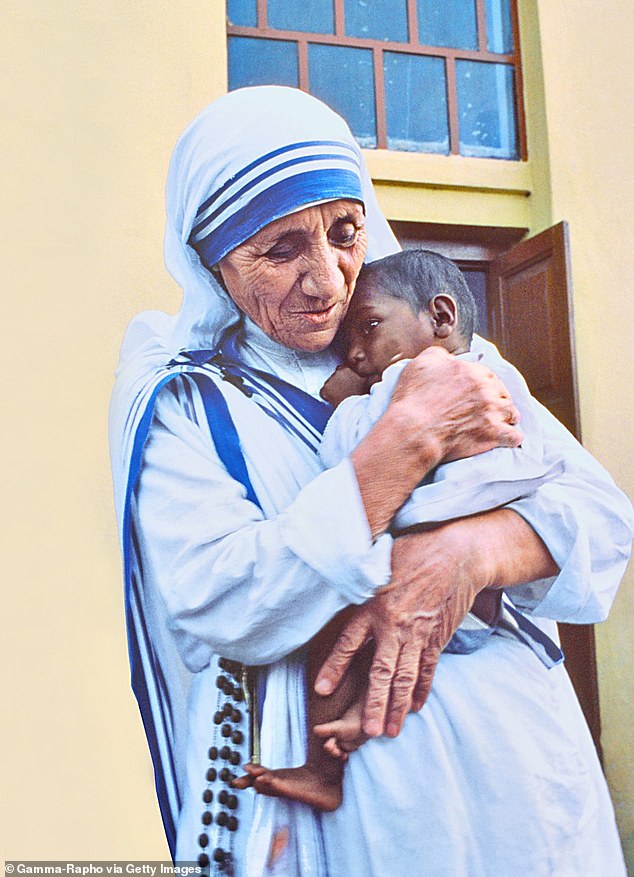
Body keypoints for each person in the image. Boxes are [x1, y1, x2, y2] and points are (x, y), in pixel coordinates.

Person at [109, 86, 633, 877]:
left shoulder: (437, 347)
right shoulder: (191, 402)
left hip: (521, 776)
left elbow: (600, 519)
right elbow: (214, 594)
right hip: (352, 814)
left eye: (346, 233)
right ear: (214, 261)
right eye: (281, 249)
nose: (328, 279)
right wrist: (396, 451)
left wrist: (468, 553)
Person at [237, 248, 570, 813]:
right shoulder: (498, 377)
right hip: (487, 609)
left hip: (440, 582)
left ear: (440, 318)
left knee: (331, 621)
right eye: (349, 348)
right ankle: (355, 729)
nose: (360, 354)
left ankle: (323, 767)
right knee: (383, 651)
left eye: (368, 329)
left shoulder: (417, 378)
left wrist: (340, 400)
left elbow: (352, 455)